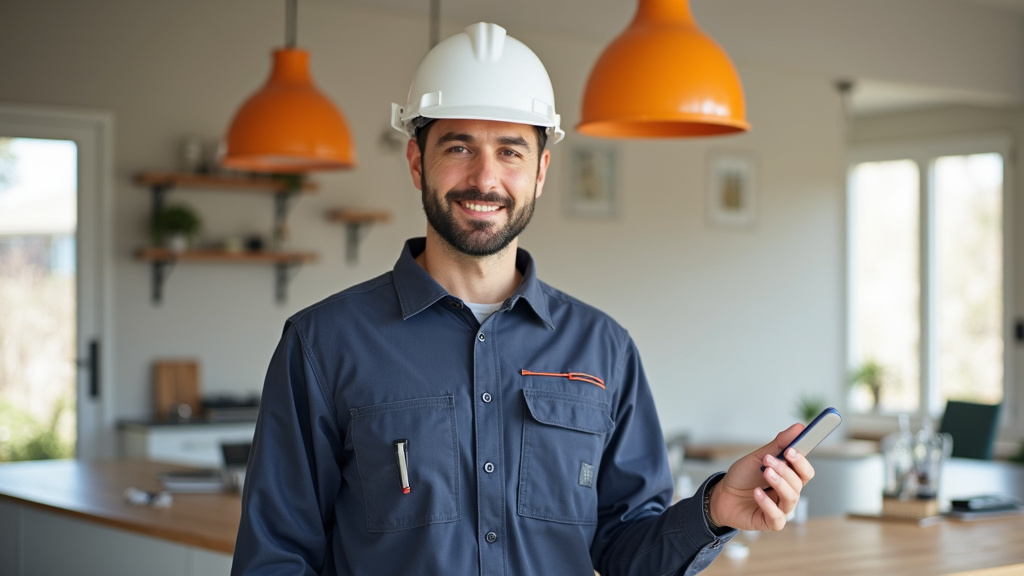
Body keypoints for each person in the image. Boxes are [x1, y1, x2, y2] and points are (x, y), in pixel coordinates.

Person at [232, 22, 815, 576]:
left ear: (540, 171)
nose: (485, 179)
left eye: (510, 151)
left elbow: (626, 551)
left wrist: (715, 510)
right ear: (416, 162)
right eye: (458, 148)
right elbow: (276, 557)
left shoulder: (604, 349)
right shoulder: (323, 344)